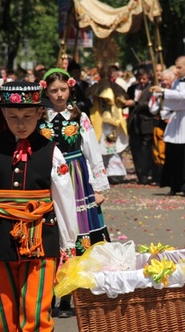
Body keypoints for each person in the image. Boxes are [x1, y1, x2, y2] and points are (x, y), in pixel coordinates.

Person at [0, 80, 78, 331]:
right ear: (3, 113)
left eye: (27, 116)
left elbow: (64, 200)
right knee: (3, 315)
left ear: (39, 113)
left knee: (36, 314)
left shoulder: (52, 151)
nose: (20, 123)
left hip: (42, 239)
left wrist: (68, 247)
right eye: (13, 116)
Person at [39, 68, 111, 317]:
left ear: (70, 88)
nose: (59, 94)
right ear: (46, 92)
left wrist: (99, 187)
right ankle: (53, 292)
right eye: (54, 90)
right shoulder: (40, 117)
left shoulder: (79, 116)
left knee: (81, 235)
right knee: (55, 233)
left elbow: (92, 150)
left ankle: (79, 294)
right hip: (50, 177)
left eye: (63, 89)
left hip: (77, 177)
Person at [150, 56, 185, 196]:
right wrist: (164, 108)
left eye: (180, 67)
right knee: (175, 154)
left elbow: (184, 97)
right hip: (177, 123)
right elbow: (174, 101)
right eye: (176, 67)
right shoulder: (176, 83)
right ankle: (176, 184)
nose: (177, 70)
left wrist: (164, 92)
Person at [86, 66, 129, 184]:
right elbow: (87, 97)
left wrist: (116, 100)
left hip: (113, 121)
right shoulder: (95, 87)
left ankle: (116, 173)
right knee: (100, 147)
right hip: (99, 120)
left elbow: (124, 98)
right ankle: (103, 172)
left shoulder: (116, 87)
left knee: (113, 147)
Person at [126, 67, 156, 184]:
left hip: (146, 122)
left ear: (148, 77)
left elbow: (151, 104)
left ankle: (145, 173)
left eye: (144, 78)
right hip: (134, 123)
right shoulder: (132, 88)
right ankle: (139, 174)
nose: (142, 81)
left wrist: (136, 103)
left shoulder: (152, 88)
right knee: (135, 149)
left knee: (146, 150)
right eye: (139, 79)